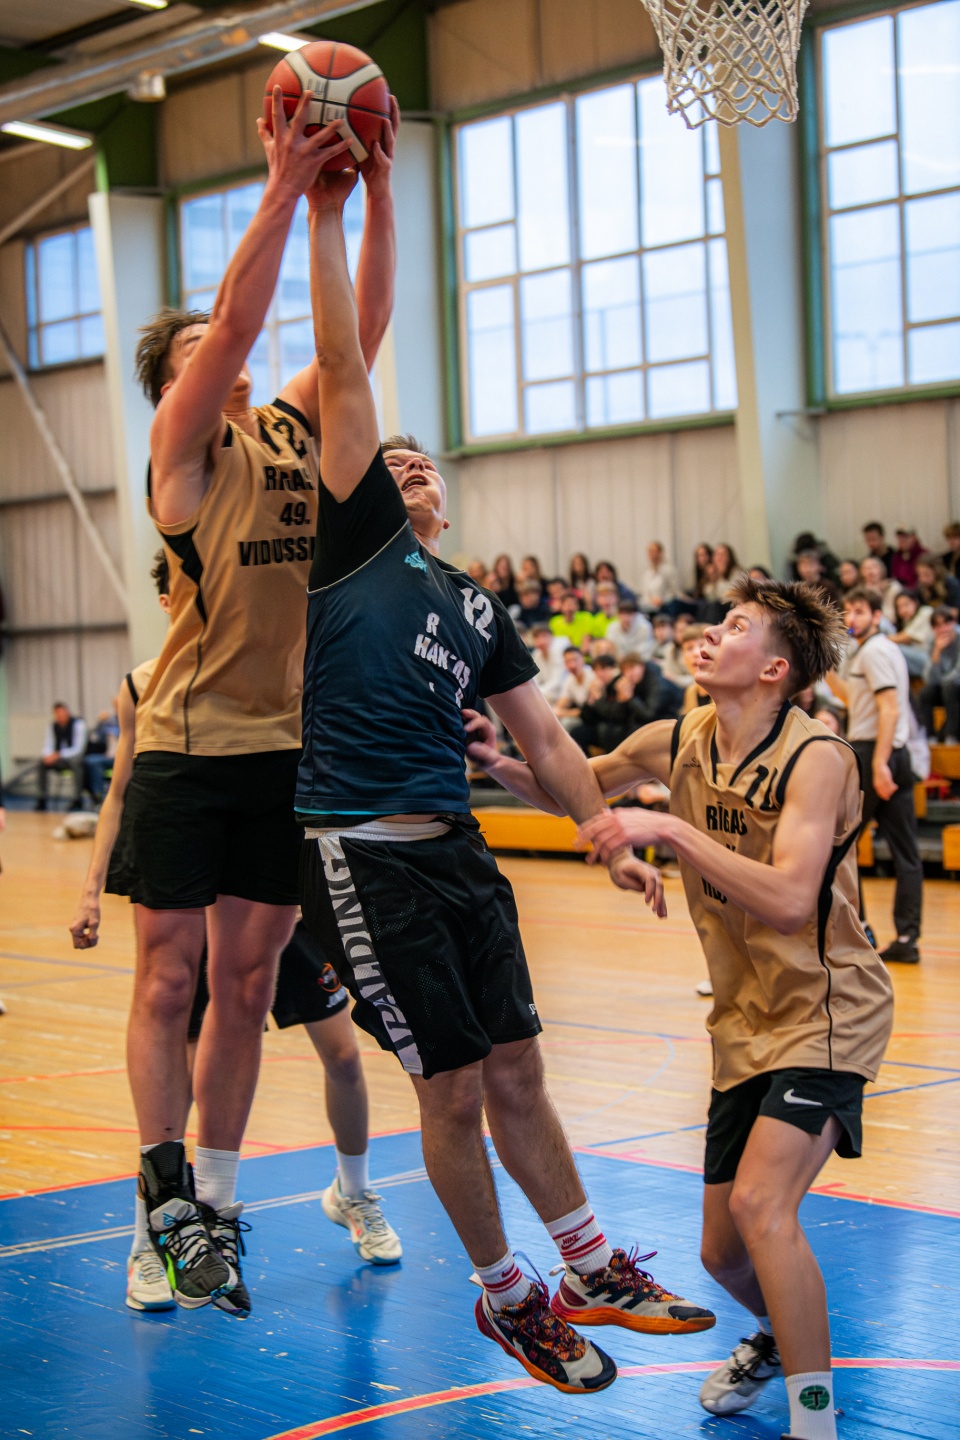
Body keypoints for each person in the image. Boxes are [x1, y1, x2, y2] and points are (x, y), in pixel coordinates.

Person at [295, 166, 715, 1394]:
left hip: (459, 853)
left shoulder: (475, 603)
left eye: (427, 463)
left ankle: (588, 1266)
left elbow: (547, 740)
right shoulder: (352, 543)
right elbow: (343, 360)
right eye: (394, 459)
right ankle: (508, 1296)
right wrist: (333, 209)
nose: (412, 467)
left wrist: (606, 831)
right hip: (361, 851)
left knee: (520, 1064)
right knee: (453, 1086)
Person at [474, 577, 894, 1440]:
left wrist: (667, 829)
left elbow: (791, 899)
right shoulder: (676, 737)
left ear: (774, 669)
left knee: (761, 1209)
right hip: (742, 1021)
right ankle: (780, 1336)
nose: (710, 632)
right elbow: (577, 787)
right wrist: (497, 761)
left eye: (735, 626)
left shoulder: (818, 757)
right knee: (722, 1253)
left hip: (828, 1010)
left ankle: (815, 1421)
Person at [117, 93, 398, 1312]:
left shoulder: (286, 429)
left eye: (220, 346)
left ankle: (216, 1211)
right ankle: (161, 1203)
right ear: (173, 386)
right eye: (198, 351)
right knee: (169, 982)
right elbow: (238, 315)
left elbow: (358, 334)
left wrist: (370, 190)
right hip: (189, 747)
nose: (224, 350)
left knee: (245, 987)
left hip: (289, 754)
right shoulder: (183, 454)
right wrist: (284, 180)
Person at [827, 587, 924, 964]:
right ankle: (906, 938)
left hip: (875, 752)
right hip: (890, 752)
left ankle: (861, 931)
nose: (851, 618)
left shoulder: (875, 652)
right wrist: (826, 669)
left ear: (878, 616)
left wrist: (880, 763)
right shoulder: (872, 651)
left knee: (840, 846)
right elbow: (855, 700)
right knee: (905, 851)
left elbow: (890, 709)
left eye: (860, 611)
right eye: (848, 611)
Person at [916, 606, 960, 744]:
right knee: (925, 692)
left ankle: (952, 736)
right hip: (946, 688)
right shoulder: (933, 642)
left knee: (950, 686)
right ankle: (930, 737)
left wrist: (942, 682)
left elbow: (958, 674)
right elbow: (928, 678)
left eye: (946, 623)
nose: (943, 629)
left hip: (955, 688)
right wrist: (936, 652)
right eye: (937, 626)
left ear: (954, 623)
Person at [35, 702, 87, 812]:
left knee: (76, 763)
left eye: (63, 713)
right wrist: (47, 756)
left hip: (73, 757)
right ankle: (42, 798)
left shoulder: (78, 724)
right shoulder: (52, 726)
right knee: (41, 763)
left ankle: (77, 798)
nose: (61, 716)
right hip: (59, 759)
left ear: (67, 712)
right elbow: (48, 744)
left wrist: (59, 754)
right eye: (58, 714)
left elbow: (78, 748)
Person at [890, 589, 933, 677]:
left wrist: (879, 639)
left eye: (906, 604)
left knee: (893, 649)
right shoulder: (906, 621)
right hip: (917, 656)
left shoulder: (925, 612)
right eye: (899, 607)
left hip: (930, 657)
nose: (903, 609)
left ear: (915, 602)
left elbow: (906, 637)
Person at [554, 647, 594, 732]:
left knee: (566, 723)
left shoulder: (592, 675)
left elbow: (589, 710)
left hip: (592, 717)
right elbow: (560, 705)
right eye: (568, 661)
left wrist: (564, 713)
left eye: (575, 660)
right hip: (581, 714)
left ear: (583, 659)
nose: (572, 665)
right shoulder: (569, 679)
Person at [639, 541, 681, 614]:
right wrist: (650, 601)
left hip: (666, 607)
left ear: (661, 553)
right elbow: (644, 593)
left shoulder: (669, 570)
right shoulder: (647, 573)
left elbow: (675, 592)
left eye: (655, 552)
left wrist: (663, 600)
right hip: (649, 607)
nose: (653, 555)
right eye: (651, 552)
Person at [529, 624, 567, 705]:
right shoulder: (537, 653)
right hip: (546, 691)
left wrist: (539, 692)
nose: (541, 641)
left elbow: (557, 680)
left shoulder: (558, 649)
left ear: (551, 636)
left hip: (562, 690)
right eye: (537, 637)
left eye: (544, 636)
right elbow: (535, 677)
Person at [859, 556, 900, 626]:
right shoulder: (859, 593)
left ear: (882, 569)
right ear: (861, 573)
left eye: (874, 567)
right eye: (867, 568)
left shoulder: (893, 587)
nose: (871, 571)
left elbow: (892, 617)